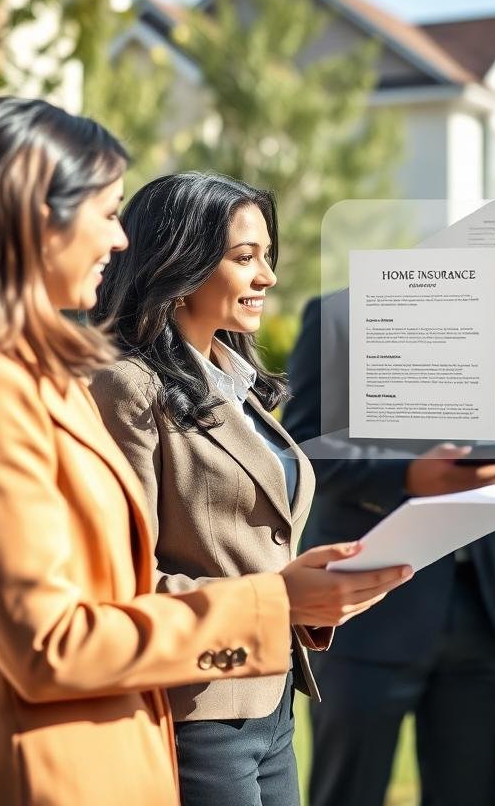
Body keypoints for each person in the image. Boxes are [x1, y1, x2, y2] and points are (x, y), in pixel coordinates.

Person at [0, 98, 411, 806]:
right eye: (106, 212)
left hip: (168, 722)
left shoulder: (46, 380)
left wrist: (298, 596)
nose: (120, 239)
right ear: (35, 219)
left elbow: (108, 574)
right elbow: (52, 639)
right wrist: (273, 604)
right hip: (79, 753)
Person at [90, 172, 402, 806]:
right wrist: (281, 599)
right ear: (180, 263)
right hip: (193, 708)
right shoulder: (127, 387)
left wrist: (313, 597)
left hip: (271, 695)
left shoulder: (233, 381)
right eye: (244, 258)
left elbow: (261, 540)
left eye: (268, 256)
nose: (268, 277)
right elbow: (124, 581)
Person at [284, 289, 495, 806]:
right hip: (368, 609)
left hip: (483, 607)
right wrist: (407, 475)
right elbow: (304, 445)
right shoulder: (339, 314)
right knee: (349, 791)